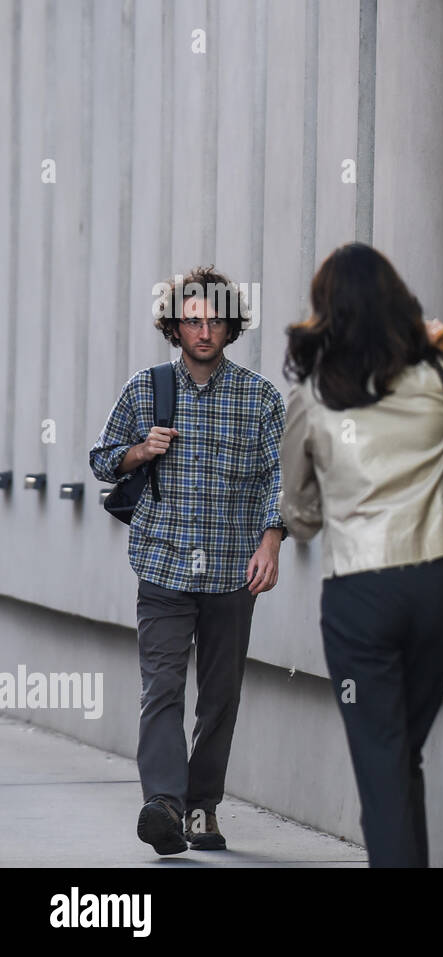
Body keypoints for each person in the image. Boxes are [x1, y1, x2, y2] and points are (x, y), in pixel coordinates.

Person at [278, 242, 443, 867]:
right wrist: (441, 343)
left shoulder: (312, 398)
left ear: (328, 312)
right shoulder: (435, 381)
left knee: (383, 766)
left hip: (361, 596)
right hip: (437, 586)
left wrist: (332, 502)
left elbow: (299, 517)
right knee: (401, 755)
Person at [89, 266, 286, 855]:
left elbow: (283, 475)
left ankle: (203, 806)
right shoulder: (146, 388)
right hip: (163, 565)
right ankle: (166, 806)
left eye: (215, 320)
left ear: (230, 327)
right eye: (193, 319)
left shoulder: (259, 397)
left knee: (220, 696)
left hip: (233, 571)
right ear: (175, 325)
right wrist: (137, 451)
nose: (204, 330)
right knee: (162, 689)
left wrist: (271, 538)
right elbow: (101, 460)